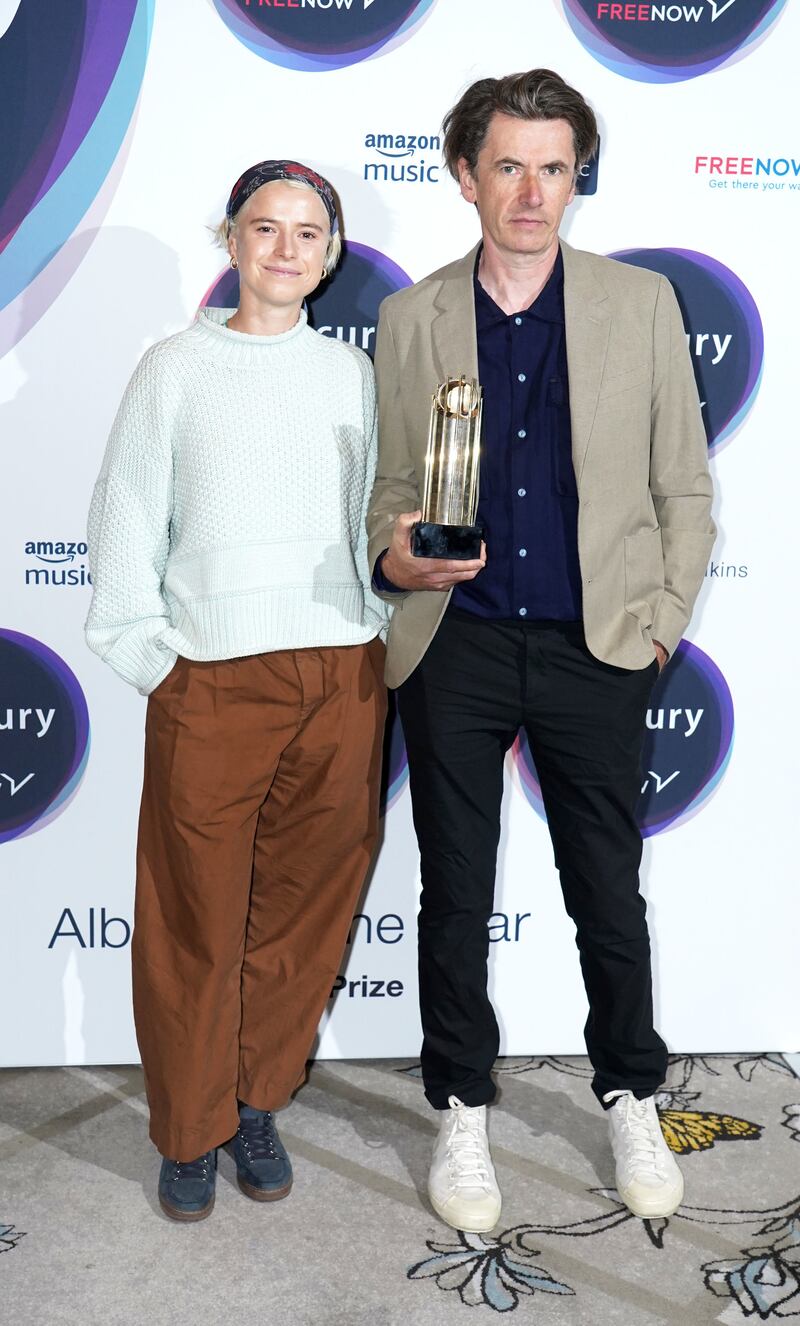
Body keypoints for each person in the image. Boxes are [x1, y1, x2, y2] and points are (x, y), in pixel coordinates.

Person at [367, 70, 715, 1233]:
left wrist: (658, 622)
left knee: (605, 895)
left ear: (578, 176)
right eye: (506, 165)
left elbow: (682, 486)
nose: (529, 191)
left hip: (595, 647)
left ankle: (627, 1088)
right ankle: (460, 1107)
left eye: (552, 167)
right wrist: (397, 554)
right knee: (453, 894)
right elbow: (389, 491)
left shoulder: (640, 303)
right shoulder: (408, 316)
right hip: (453, 645)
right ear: (465, 175)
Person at [86, 160, 388, 1222]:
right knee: (193, 923)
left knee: (302, 914)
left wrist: (375, 635)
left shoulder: (351, 376)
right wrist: (153, 660)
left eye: (309, 233)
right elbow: (125, 521)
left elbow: (367, 526)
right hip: (211, 681)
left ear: (330, 254)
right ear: (231, 240)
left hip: (340, 676)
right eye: (266, 228)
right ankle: (188, 1128)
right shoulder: (173, 368)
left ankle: (257, 1100)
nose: (286, 250)